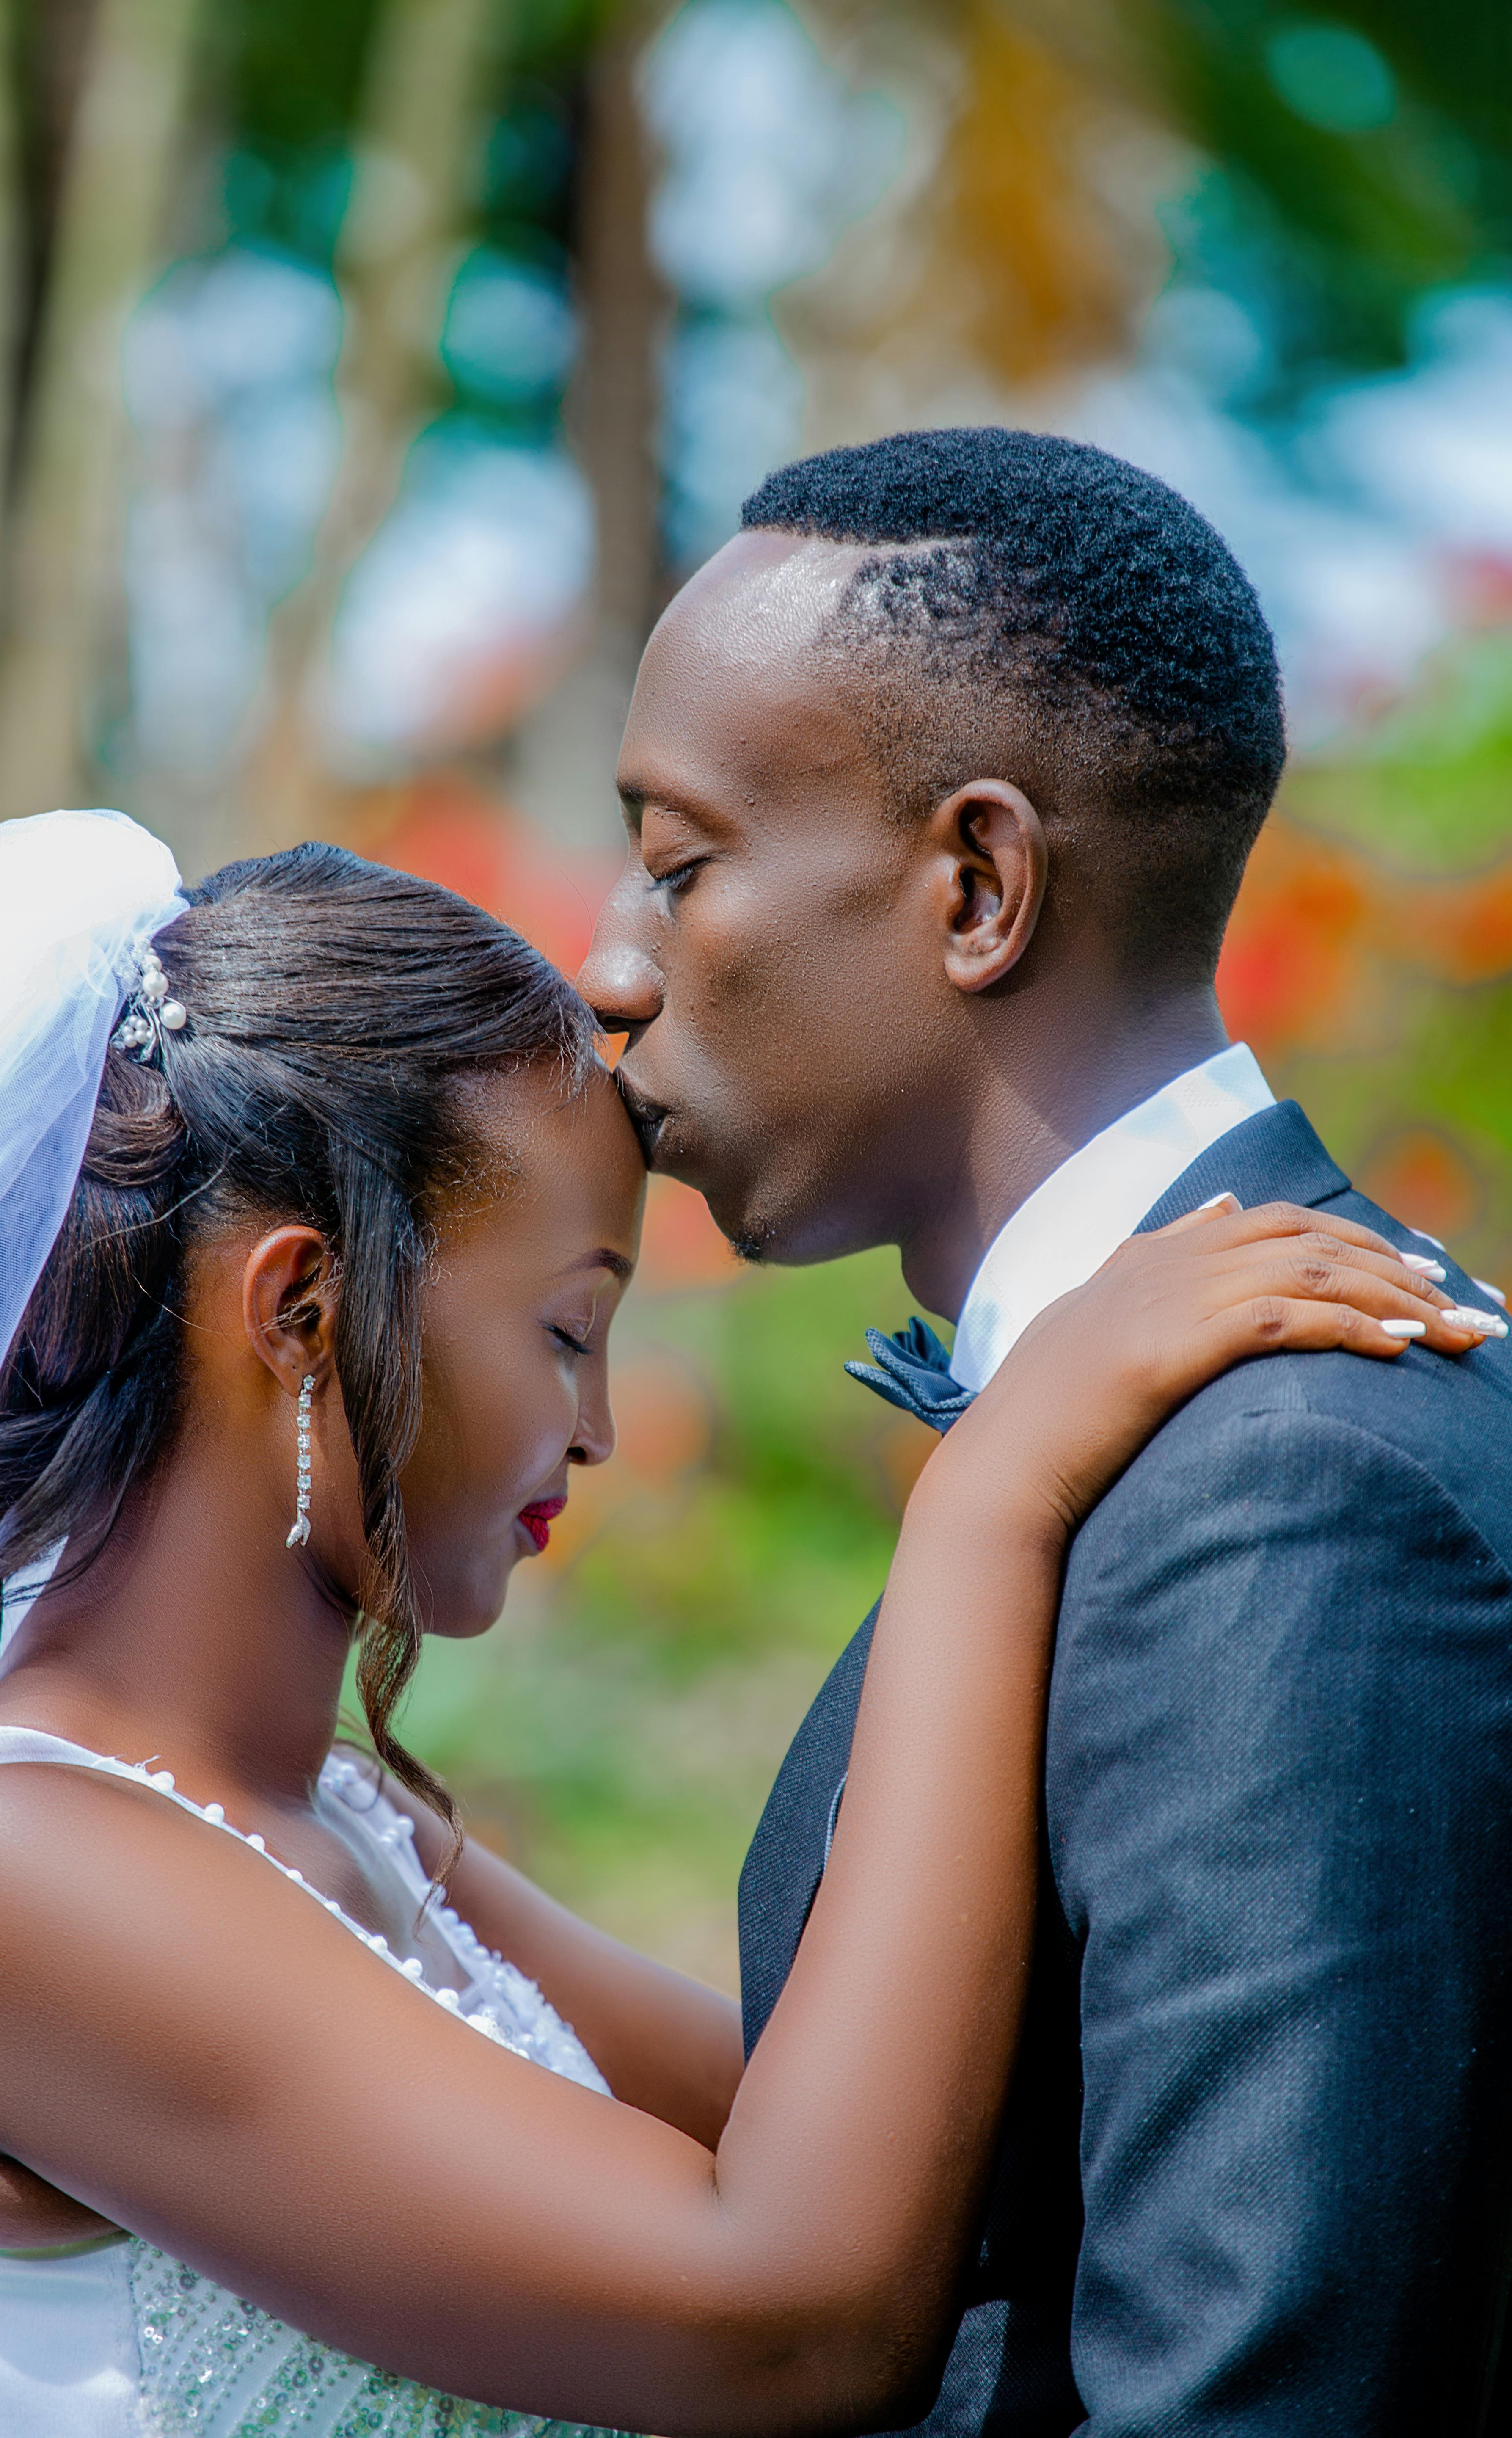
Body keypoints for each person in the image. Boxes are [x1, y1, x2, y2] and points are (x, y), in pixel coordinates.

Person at [0, 811, 1469, 2438]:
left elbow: (873, 2134)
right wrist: (992, 1501)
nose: (599, 1431)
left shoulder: (345, 1825)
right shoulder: (12, 1877)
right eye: (568, 1329)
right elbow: (789, 2316)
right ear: (301, 1308)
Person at [579, 425, 1512, 2435]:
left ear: (981, 885)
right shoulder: (1176, 1425)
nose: (611, 967)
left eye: (677, 864)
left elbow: (1255, 2399)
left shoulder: (1292, 1481)